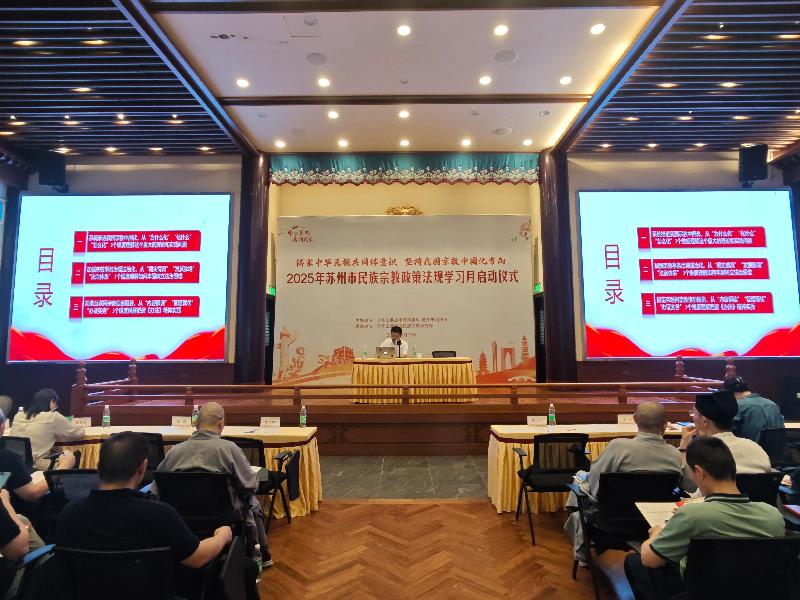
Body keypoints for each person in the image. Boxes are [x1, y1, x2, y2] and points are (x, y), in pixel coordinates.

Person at [54, 432, 260, 599]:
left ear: (99, 468)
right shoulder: (158, 514)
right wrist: (221, 536)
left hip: (89, 593)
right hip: (152, 592)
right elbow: (197, 558)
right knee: (244, 568)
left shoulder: (70, 512)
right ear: (142, 468)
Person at [624, 436, 786, 600]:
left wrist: (657, 533)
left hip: (703, 591)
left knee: (635, 563)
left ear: (699, 472)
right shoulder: (773, 515)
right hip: (757, 592)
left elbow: (649, 559)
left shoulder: (691, 515)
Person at [156, 402, 272, 569]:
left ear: (196, 423)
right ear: (221, 423)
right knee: (252, 502)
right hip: (224, 518)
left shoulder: (174, 451)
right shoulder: (229, 449)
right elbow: (251, 486)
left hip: (182, 519)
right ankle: (262, 554)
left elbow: (157, 488)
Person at [564, 401, 683, 565]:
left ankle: (582, 549)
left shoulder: (618, 446)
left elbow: (594, 484)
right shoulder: (675, 454)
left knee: (580, 480)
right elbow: (686, 487)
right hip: (653, 524)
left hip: (610, 522)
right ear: (665, 425)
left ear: (635, 419)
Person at [679, 390, 771, 483]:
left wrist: (683, 446)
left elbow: (690, 486)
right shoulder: (756, 448)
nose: (693, 417)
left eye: (694, 413)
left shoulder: (703, 452)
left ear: (705, 421)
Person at [0, 408, 74, 510]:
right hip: (18, 513)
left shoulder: (18, 417)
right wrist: (64, 467)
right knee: (66, 494)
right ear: (2, 425)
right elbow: (32, 494)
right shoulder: (7, 458)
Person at [9, 389, 84, 471]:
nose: (56, 408)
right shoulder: (53, 417)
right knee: (71, 458)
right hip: (36, 464)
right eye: (56, 405)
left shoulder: (18, 416)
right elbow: (78, 433)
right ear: (52, 401)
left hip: (14, 463)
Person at [723, 376, 784, 443]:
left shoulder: (737, 406)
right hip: (777, 449)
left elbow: (725, 432)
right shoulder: (773, 405)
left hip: (749, 449)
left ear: (729, 393)